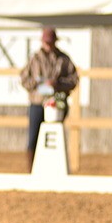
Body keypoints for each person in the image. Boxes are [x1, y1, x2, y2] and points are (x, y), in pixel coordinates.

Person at [19, 27, 79, 171]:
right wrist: (38, 83)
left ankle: (54, 169)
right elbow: (23, 79)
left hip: (57, 103)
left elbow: (74, 79)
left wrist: (58, 84)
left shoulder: (63, 59)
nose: (48, 45)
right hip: (37, 102)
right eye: (46, 42)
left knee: (55, 137)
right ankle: (31, 170)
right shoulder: (35, 58)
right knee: (33, 138)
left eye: (50, 42)